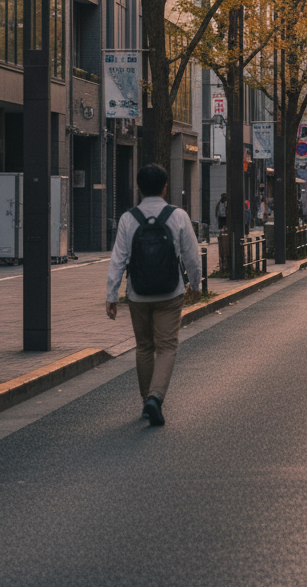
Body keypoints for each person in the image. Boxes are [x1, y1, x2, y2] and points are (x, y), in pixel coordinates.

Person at [106, 164, 201, 426]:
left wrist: (111, 294)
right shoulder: (178, 215)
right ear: (165, 187)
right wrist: (196, 285)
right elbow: (192, 256)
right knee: (167, 345)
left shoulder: (128, 218)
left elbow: (118, 259)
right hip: (171, 293)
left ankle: (146, 400)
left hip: (138, 293)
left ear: (138, 187)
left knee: (145, 346)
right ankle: (155, 397)